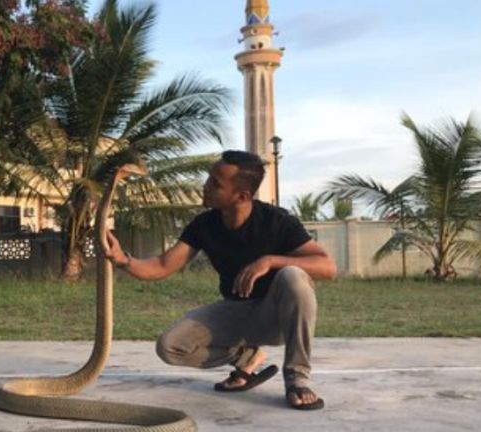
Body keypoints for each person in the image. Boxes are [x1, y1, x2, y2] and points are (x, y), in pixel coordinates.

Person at [105, 150, 336, 410]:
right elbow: (161, 265)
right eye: (208, 179)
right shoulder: (204, 225)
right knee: (170, 346)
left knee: (293, 275)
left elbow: (327, 266)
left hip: (277, 316)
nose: (205, 187)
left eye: (215, 183)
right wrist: (123, 260)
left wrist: (270, 260)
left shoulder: (277, 221)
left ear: (242, 196)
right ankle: (246, 356)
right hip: (237, 312)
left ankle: (297, 379)